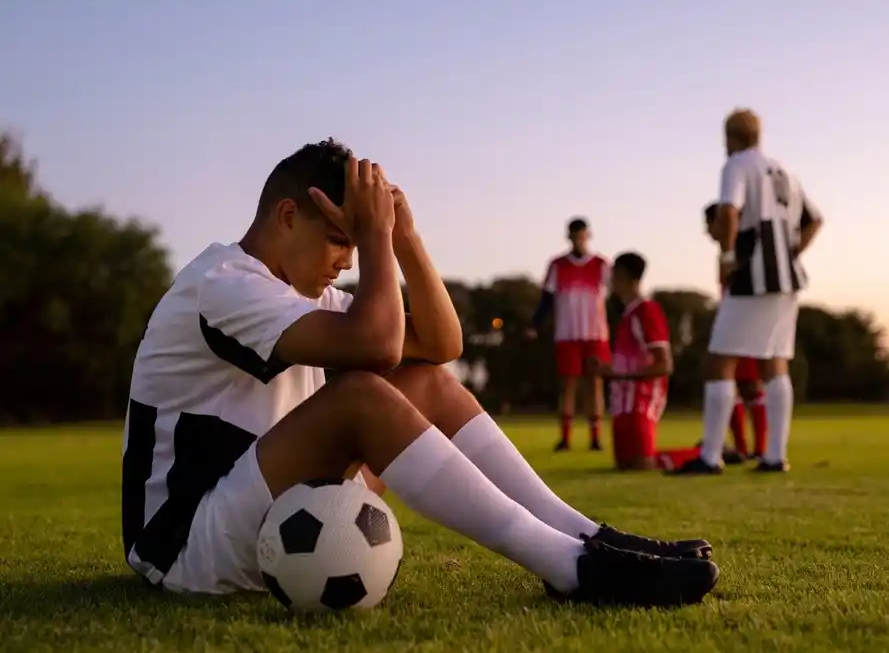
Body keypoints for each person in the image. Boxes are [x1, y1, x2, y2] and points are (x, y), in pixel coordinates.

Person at [121, 139, 719, 608]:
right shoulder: (222, 283)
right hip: (186, 545)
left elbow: (441, 344)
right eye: (338, 240)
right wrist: (376, 235)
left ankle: (587, 537)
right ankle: (571, 569)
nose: (347, 262)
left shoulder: (304, 297)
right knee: (359, 394)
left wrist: (404, 234)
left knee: (428, 381)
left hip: (261, 505)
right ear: (286, 216)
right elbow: (377, 347)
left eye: (355, 245)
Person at [672, 110, 823, 475]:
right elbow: (815, 219)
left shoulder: (737, 165)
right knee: (775, 363)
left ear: (730, 138)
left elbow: (729, 211)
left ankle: (710, 457)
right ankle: (774, 456)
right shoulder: (784, 170)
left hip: (752, 278)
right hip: (787, 280)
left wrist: (726, 255)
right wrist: (790, 253)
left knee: (719, 361)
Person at [526, 218, 611, 452]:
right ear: (569, 237)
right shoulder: (557, 265)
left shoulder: (602, 265)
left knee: (595, 384)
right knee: (568, 385)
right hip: (567, 334)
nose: (578, 239)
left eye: (581, 235)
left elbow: (616, 297)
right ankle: (565, 437)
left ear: (588, 235)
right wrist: (535, 324)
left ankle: (596, 437)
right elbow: (547, 299)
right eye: (574, 235)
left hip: (595, 333)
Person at [587, 253, 671, 471]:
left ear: (624, 276)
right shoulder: (627, 315)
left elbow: (664, 365)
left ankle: (703, 455)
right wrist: (607, 369)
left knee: (644, 464)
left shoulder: (647, 311)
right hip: (622, 405)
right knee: (625, 465)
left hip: (641, 402)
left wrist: (618, 375)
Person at [704, 202, 768, 462]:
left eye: (710, 222)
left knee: (750, 385)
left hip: (747, 324)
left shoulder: (744, 249)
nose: (706, 229)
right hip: (732, 320)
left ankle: (761, 448)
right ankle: (742, 447)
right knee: (729, 383)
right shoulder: (724, 253)